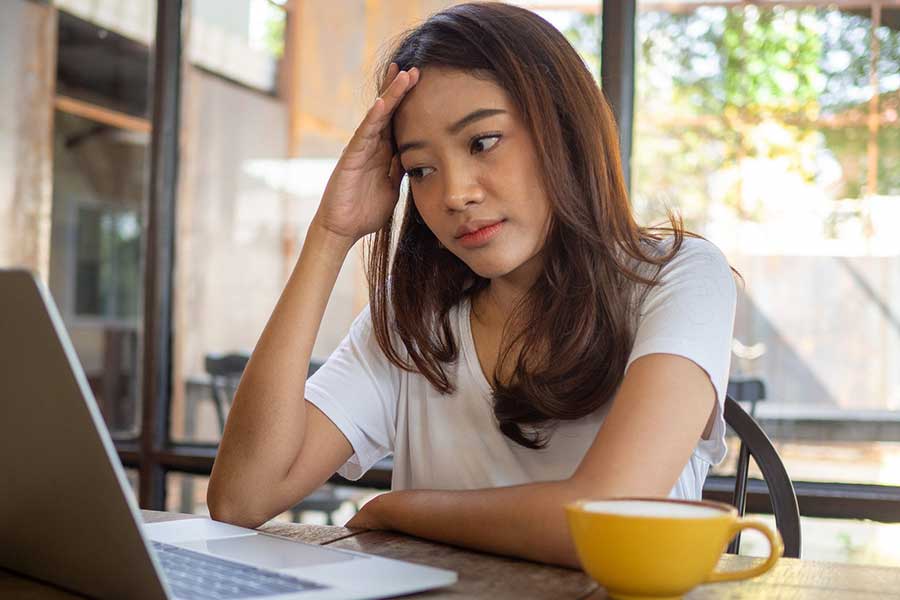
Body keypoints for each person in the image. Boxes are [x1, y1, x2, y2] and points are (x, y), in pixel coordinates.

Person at [207, 2, 737, 568]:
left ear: (563, 127)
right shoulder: (414, 324)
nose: (454, 193)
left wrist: (400, 509)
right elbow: (243, 497)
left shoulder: (677, 276)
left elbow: (608, 518)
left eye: (482, 141)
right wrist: (330, 234)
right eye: (420, 169)